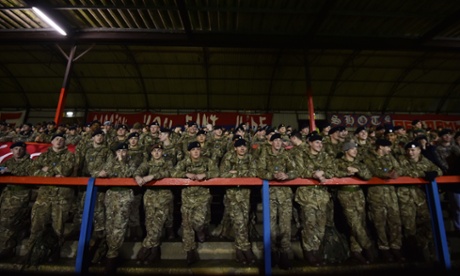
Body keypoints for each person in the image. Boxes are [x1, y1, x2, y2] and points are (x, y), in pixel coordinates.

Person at [23, 133, 76, 264]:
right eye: (57, 139)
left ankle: (53, 254)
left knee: (58, 229)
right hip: (44, 196)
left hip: (61, 197)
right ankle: (30, 255)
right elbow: (32, 170)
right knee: (36, 227)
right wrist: (52, 173)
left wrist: (46, 169)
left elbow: (65, 170)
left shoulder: (69, 155)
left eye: (62, 140)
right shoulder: (44, 155)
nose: (59, 141)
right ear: (51, 142)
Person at [172, 141, 219, 265]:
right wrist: (186, 174)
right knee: (187, 226)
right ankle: (190, 252)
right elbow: (173, 173)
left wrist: (205, 174)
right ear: (189, 152)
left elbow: (217, 172)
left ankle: (200, 231)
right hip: (187, 198)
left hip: (202, 198)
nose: (196, 151)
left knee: (199, 222)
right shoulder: (184, 162)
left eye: (198, 149)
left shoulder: (207, 161)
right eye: (193, 150)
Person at [257, 133, 297, 270]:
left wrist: (286, 175)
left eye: (280, 140)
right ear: (271, 143)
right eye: (276, 141)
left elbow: (295, 170)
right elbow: (260, 170)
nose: (278, 143)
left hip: (285, 194)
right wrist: (272, 176)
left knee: (285, 224)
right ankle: (272, 253)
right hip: (270, 194)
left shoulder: (286, 155)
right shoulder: (265, 154)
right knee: (271, 225)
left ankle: (284, 253)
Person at [398, 141, 443, 261]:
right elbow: (402, 172)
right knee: (409, 228)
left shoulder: (425, 160)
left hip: (420, 197)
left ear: (419, 150)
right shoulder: (400, 160)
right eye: (408, 150)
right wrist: (423, 173)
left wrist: (433, 173)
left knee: (427, 224)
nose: (410, 152)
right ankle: (414, 255)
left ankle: (424, 248)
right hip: (405, 197)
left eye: (413, 150)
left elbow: (438, 170)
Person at [295, 133, 336, 266]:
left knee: (321, 225)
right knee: (309, 223)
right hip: (307, 196)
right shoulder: (302, 154)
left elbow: (332, 170)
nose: (320, 145)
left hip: (322, 196)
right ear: (310, 143)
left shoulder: (325, 156)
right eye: (317, 142)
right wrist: (314, 174)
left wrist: (322, 173)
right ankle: (309, 250)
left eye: (321, 142)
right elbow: (300, 170)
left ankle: (317, 249)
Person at [97, 142, 137, 273]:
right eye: (119, 151)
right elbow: (103, 172)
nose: (122, 153)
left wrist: (120, 162)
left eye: (124, 151)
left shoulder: (131, 162)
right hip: (111, 196)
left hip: (124, 196)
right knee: (109, 226)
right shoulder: (110, 162)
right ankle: (108, 250)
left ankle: (112, 256)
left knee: (119, 227)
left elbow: (127, 174)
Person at [363, 138, 404, 262]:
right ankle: (384, 249)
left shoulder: (390, 157)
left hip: (391, 195)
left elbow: (399, 168)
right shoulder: (369, 158)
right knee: (379, 223)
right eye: (387, 147)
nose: (390, 150)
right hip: (376, 195)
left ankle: (396, 247)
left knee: (395, 222)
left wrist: (396, 173)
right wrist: (386, 174)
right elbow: (372, 170)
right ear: (380, 147)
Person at [335, 141, 376, 264]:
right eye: (352, 149)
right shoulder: (339, 162)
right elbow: (333, 172)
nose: (355, 151)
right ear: (346, 150)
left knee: (360, 222)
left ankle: (356, 251)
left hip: (358, 194)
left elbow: (368, 175)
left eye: (355, 149)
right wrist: (346, 172)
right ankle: (368, 248)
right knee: (354, 223)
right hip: (345, 194)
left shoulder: (359, 163)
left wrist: (357, 170)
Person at [219, 138, 258, 265]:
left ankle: (239, 250)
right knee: (239, 221)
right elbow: (223, 173)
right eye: (239, 146)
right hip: (232, 194)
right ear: (235, 148)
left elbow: (253, 173)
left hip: (245, 194)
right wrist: (240, 174)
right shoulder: (228, 156)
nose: (242, 148)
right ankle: (246, 249)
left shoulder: (250, 158)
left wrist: (236, 172)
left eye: (244, 146)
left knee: (243, 221)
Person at [134, 144, 174, 264]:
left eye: (159, 150)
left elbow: (169, 172)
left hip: (164, 195)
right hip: (150, 196)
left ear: (162, 152)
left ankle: (145, 248)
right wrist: (137, 176)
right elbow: (138, 171)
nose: (156, 153)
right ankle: (155, 251)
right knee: (149, 223)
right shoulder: (148, 163)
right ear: (151, 153)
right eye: (154, 151)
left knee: (158, 222)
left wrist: (152, 176)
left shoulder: (168, 162)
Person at [0, 142, 33, 259]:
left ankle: (6, 249)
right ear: (11, 151)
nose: (18, 151)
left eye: (20, 149)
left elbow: (30, 174)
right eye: (15, 149)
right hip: (7, 195)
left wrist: (11, 173)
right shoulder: (8, 162)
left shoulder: (30, 162)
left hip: (21, 194)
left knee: (9, 223)